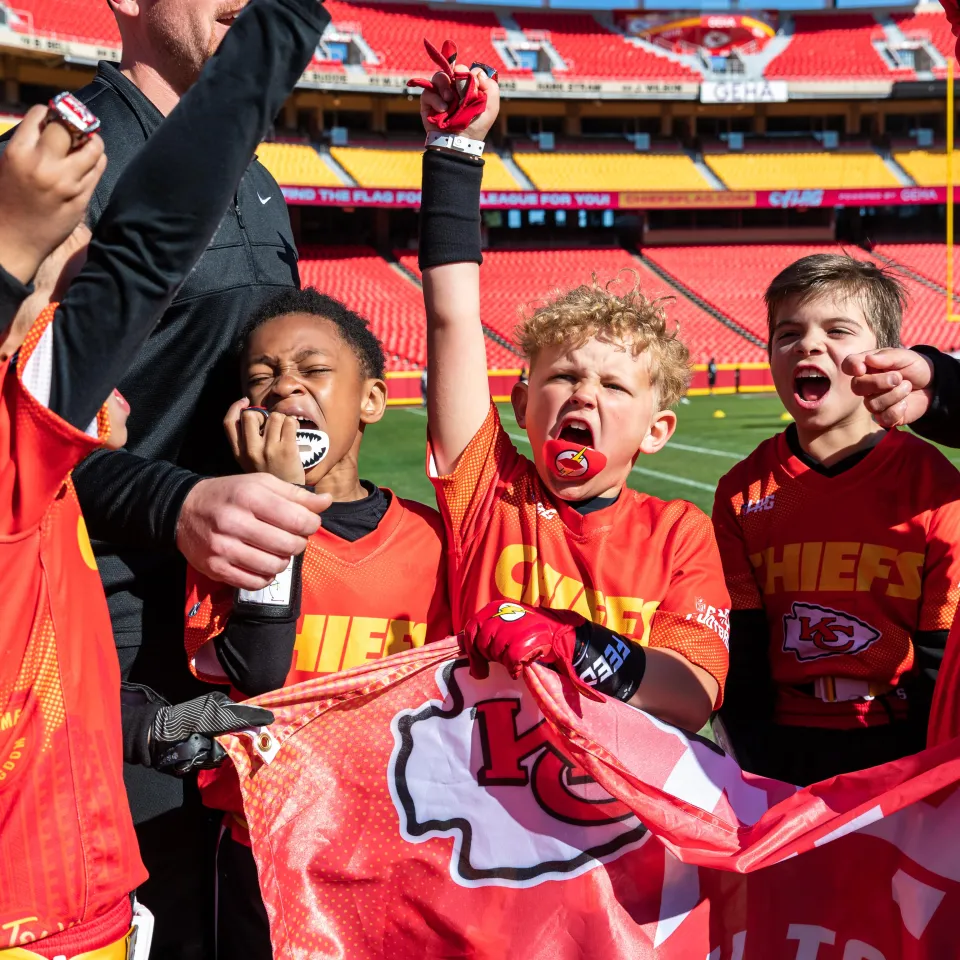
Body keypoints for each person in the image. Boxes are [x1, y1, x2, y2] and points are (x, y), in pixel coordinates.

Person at [0, 0, 331, 952]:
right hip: (94, 635)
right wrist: (177, 502)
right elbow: (29, 441)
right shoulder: (59, 169)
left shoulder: (262, 181)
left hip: (246, 619)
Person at [417, 65, 729, 733]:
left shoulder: (679, 533)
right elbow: (452, 319)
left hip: (620, 825)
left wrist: (578, 647)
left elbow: (692, 692)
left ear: (657, 430)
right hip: (489, 815)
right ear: (522, 402)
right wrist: (455, 154)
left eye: (614, 386)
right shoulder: (487, 494)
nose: (584, 394)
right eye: (562, 378)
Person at [181, 287, 451, 960]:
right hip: (266, 851)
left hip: (404, 846)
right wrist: (283, 497)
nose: (285, 388)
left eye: (313, 368)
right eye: (261, 377)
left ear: (372, 401)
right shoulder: (223, 531)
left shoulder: (436, 541)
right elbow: (261, 669)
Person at [713, 254, 960, 785]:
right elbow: (745, 648)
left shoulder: (933, 486)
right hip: (783, 745)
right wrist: (755, 761)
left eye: (838, 330)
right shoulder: (740, 489)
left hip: (897, 738)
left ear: (887, 356)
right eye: (788, 333)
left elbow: (940, 656)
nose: (808, 344)